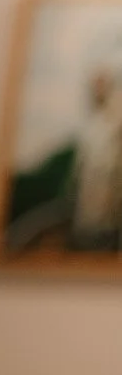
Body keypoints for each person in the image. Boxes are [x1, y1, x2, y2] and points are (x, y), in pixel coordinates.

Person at [70, 68, 122, 249]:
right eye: (95, 86)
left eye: (101, 85)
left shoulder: (116, 117)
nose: (97, 90)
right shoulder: (92, 121)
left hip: (109, 190)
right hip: (89, 191)